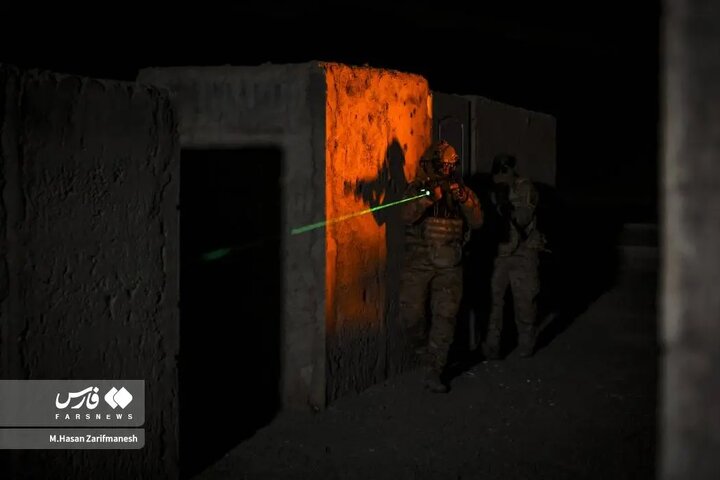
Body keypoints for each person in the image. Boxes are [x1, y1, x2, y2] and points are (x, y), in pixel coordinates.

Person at [400, 140, 483, 393]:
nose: (446, 170)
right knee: (410, 317)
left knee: (445, 318)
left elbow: (477, 222)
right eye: (442, 165)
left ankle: (435, 370)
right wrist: (427, 199)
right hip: (418, 264)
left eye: (449, 166)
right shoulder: (418, 188)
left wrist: (465, 200)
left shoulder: (461, 191)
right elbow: (405, 215)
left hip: (450, 264)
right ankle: (425, 354)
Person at [483, 153, 545, 359]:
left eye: (505, 171)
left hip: (523, 252)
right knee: (493, 303)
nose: (502, 176)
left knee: (525, 301)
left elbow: (524, 217)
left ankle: (526, 342)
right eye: (498, 171)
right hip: (500, 254)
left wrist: (507, 208)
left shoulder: (524, 188)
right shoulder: (491, 188)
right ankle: (492, 345)